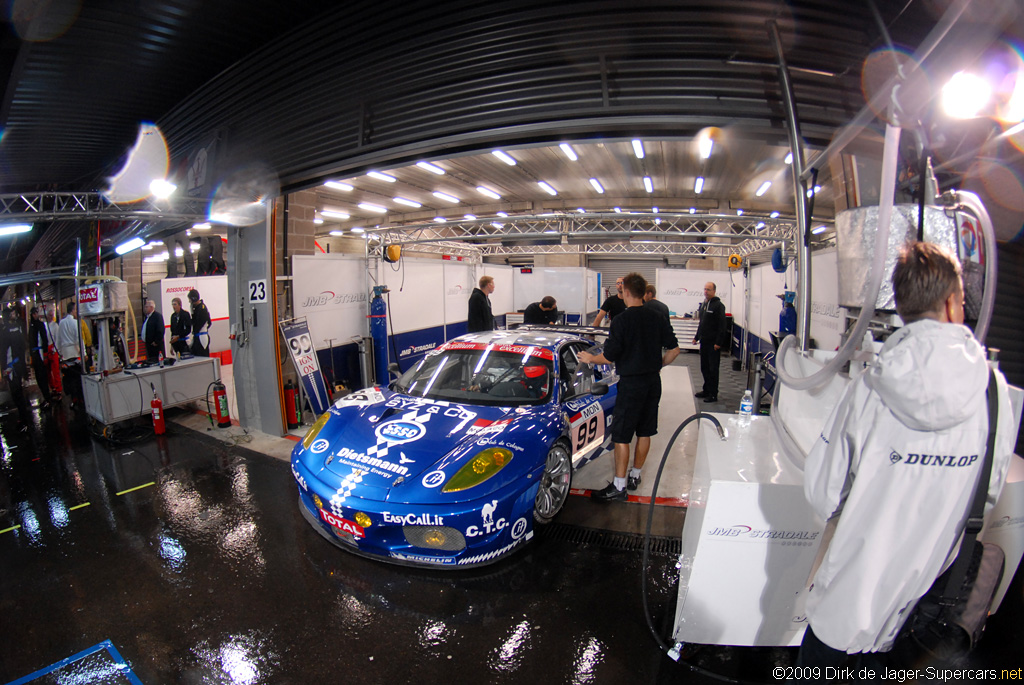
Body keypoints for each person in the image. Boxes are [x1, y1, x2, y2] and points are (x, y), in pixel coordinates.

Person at [797, 242, 1014, 671]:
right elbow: (988, 494)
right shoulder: (994, 391)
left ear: (901, 306)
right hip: (921, 606)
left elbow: (823, 494)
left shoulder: (870, 387)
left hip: (849, 598)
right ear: (953, 301)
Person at [579, 273, 680, 501]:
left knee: (622, 436)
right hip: (653, 383)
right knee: (645, 430)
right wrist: (658, 365)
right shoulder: (658, 317)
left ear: (625, 292)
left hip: (631, 384)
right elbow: (674, 350)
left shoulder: (621, 320)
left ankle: (619, 486)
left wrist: (589, 358)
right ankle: (635, 475)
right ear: (644, 293)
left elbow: (609, 357)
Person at [692, 281, 728, 403]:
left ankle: (713, 394)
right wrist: (696, 337)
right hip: (704, 342)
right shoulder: (704, 304)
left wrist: (718, 342)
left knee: (713, 369)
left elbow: (722, 326)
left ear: (714, 291)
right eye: (705, 289)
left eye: (708, 289)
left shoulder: (719, 306)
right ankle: (706, 390)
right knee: (704, 368)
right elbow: (702, 324)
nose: (706, 291)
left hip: (713, 344)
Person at [1, 306, 32, 429]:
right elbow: (22, 347)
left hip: (10, 367)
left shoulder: (4, 331)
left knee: (16, 393)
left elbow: (3, 352)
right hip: (18, 364)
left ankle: (24, 421)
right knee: (18, 392)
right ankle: (24, 418)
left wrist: (3, 369)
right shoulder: (17, 328)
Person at [57, 302, 85, 408]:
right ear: (73, 310)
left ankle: (73, 398)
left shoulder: (61, 323)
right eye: (76, 310)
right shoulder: (75, 323)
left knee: (69, 378)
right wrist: (83, 352)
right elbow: (79, 339)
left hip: (65, 355)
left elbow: (58, 340)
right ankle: (80, 398)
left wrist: (60, 353)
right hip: (75, 353)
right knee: (78, 378)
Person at [28, 306, 54, 405]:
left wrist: (45, 352)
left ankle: (47, 397)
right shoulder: (32, 325)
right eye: (34, 313)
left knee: (42, 376)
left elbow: (44, 339)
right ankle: (46, 396)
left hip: (40, 353)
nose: (36, 315)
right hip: (35, 354)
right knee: (39, 377)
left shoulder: (39, 325)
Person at [188, 289, 211, 356]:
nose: (189, 301)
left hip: (201, 337)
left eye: (190, 299)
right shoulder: (197, 308)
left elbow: (202, 323)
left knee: (202, 354)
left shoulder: (202, 308)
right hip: (197, 336)